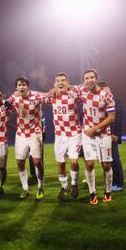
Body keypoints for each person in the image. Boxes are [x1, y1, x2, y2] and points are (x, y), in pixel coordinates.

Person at [6, 77, 49, 200]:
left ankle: (41, 185)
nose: (22, 87)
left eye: (24, 85)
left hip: (35, 133)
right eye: (19, 85)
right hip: (21, 134)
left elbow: (49, 97)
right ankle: (25, 189)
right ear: (16, 87)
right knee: (20, 162)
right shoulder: (14, 98)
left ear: (28, 86)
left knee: (37, 162)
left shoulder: (36, 96)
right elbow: (5, 104)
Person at [79, 69, 115, 204]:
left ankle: (108, 191)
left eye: (91, 77)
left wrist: (95, 128)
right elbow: (66, 87)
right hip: (88, 134)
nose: (89, 80)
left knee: (106, 165)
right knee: (89, 163)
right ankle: (92, 193)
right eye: (86, 78)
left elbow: (111, 117)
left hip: (104, 133)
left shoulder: (107, 95)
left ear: (96, 78)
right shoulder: (82, 91)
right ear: (84, 81)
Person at [49, 73, 82, 201]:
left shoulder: (75, 93)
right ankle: (64, 187)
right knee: (61, 164)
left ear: (68, 83)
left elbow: (85, 87)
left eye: (63, 80)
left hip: (74, 133)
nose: (60, 83)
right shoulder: (51, 95)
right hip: (60, 135)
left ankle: (74, 184)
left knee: (73, 162)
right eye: (57, 81)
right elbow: (36, 97)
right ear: (54, 84)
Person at [98, 83, 124, 191]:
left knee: (113, 159)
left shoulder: (113, 100)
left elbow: (116, 118)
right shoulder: (109, 99)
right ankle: (114, 181)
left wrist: (114, 134)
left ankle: (118, 183)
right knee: (109, 159)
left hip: (111, 135)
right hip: (107, 134)